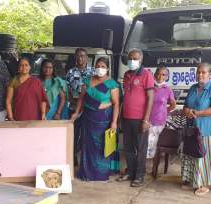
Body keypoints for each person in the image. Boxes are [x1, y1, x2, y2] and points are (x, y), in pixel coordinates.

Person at [71, 57, 120, 181]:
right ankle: (87, 173)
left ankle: (101, 174)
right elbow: (81, 99)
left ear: (107, 69)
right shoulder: (87, 81)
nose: (100, 69)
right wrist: (76, 112)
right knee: (87, 147)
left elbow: (116, 104)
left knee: (102, 147)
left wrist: (114, 122)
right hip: (88, 119)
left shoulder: (112, 84)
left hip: (104, 121)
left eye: (103, 67)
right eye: (98, 66)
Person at [181, 62, 211, 196]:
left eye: (203, 72)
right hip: (191, 128)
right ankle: (191, 181)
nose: (200, 74)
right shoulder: (193, 88)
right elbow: (185, 106)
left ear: (210, 75)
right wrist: (187, 111)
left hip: (205, 129)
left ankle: (203, 184)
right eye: (198, 72)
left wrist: (197, 113)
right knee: (191, 154)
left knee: (203, 157)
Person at [117, 49, 155, 187]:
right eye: (130, 58)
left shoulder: (147, 75)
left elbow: (151, 97)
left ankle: (139, 175)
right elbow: (124, 98)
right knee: (128, 147)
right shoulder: (126, 75)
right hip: (126, 118)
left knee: (140, 148)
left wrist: (146, 120)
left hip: (140, 119)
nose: (132, 61)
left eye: (135, 58)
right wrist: (120, 117)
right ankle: (130, 172)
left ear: (141, 60)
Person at [66, 48, 94, 165]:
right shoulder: (71, 72)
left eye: (82, 56)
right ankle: (73, 158)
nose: (80, 58)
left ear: (86, 57)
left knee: (87, 134)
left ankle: (86, 159)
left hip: (89, 108)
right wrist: (73, 102)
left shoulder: (93, 72)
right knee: (74, 133)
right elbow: (67, 90)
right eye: (78, 56)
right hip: (73, 107)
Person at [147, 65, 176, 159]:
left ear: (167, 77)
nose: (160, 77)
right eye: (158, 74)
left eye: (163, 75)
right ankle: (142, 167)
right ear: (154, 74)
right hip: (147, 120)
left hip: (160, 122)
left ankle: (153, 167)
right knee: (146, 145)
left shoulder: (168, 90)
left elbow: (173, 105)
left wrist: (164, 111)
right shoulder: (149, 87)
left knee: (156, 145)